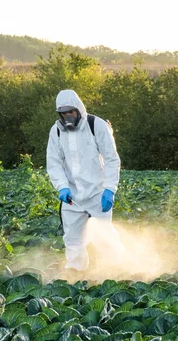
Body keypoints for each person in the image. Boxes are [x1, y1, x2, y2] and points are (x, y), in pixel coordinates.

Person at [46, 89, 122, 272]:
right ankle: (75, 275)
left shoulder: (97, 126)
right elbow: (54, 162)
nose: (67, 116)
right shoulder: (56, 131)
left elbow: (112, 159)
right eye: (63, 113)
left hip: (98, 192)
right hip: (72, 196)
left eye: (70, 112)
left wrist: (110, 189)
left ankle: (117, 270)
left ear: (79, 109)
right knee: (72, 240)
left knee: (105, 237)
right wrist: (62, 187)